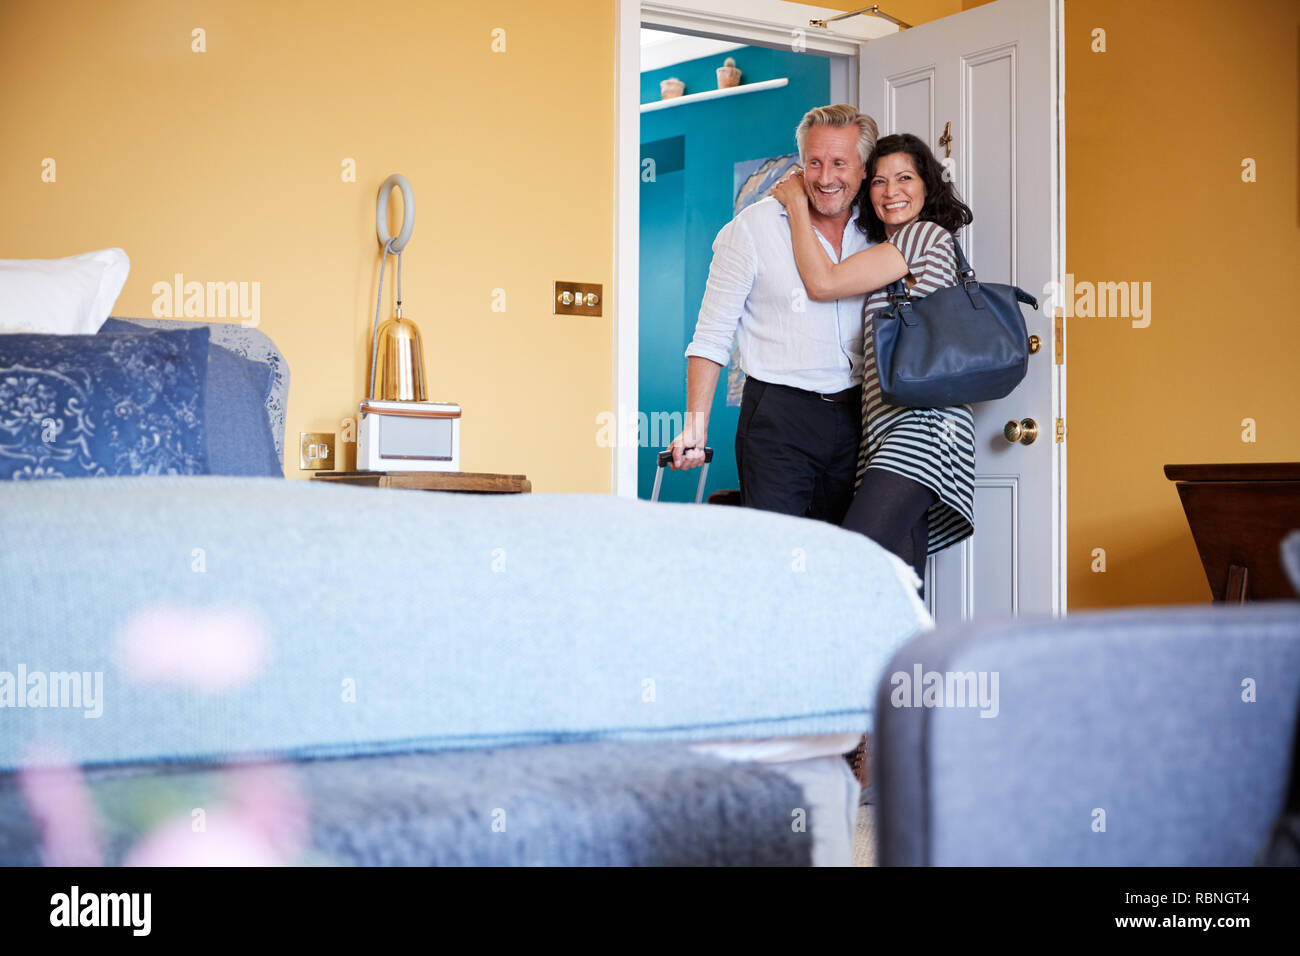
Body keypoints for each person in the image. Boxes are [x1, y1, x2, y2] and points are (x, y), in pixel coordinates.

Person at [770, 133, 976, 594]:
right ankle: (913, 668)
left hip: (921, 429)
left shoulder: (922, 236)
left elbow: (823, 284)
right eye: (879, 181)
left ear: (927, 186)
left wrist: (796, 205)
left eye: (905, 178)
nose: (890, 191)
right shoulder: (895, 250)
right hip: (890, 428)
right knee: (897, 584)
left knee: (850, 559)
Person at [667, 105, 879, 529]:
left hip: (861, 418)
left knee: (842, 557)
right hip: (779, 416)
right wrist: (695, 427)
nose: (825, 178)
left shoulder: (878, 232)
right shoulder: (751, 229)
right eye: (814, 162)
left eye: (839, 163)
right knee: (777, 556)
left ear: (863, 170)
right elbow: (711, 337)